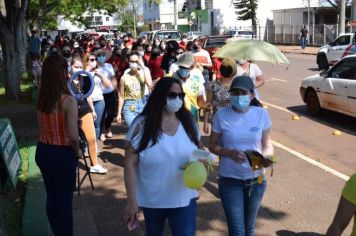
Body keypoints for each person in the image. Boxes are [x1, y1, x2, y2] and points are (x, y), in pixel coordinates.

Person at [124, 77, 201, 236]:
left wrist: (202, 160)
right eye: (172, 95)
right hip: (152, 199)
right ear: (160, 96)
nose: (177, 99)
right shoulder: (141, 124)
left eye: (181, 96)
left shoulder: (189, 123)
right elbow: (130, 163)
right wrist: (132, 201)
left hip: (184, 198)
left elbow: (199, 149)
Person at [208, 75, 274, 236]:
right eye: (235, 93)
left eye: (243, 93)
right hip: (230, 181)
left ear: (252, 95)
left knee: (249, 228)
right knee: (237, 230)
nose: (239, 97)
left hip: (256, 181)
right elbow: (212, 145)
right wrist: (228, 153)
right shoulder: (222, 115)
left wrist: (266, 158)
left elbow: (267, 144)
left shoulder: (261, 114)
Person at [35, 55, 80, 236]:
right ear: (62, 74)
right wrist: (77, 153)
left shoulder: (41, 98)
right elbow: (73, 137)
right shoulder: (69, 101)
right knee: (64, 201)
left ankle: (56, 232)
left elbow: (41, 127)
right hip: (62, 153)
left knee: (52, 197)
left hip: (43, 149)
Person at [69, 57, 108, 174]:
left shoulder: (84, 79)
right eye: (76, 67)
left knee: (91, 138)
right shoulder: (65, 79)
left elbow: (87, 95)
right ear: (70, 66)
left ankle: (94, 164)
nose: (79, 69)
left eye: (80, 67)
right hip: (70, 112)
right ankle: (71, 166)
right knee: (72, 140)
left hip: (84, 110)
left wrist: (92, 110)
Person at [172, 52, 211, 123]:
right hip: (176, 116)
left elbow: (200, 101)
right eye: (181, 67)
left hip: (192, 115)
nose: (183, 69)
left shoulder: (196, 80)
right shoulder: (172, 78)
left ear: (191, 67)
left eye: (186, 67)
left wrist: (205, 105)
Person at [203, 58, 237, 134]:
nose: (225, 70)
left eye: (227, 68)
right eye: (224, 68)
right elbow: (208, 104)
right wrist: (205, 122)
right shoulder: (212, 85)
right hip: (217, 121)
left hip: (234, 121)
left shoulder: (237, 85)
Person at [84, 53, 112, 140]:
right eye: (92, 60)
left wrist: (101, 75)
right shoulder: (82, 72)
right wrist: (86, 71)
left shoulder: (99, 71)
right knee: (87, 124)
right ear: (86, 61)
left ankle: (94, 145)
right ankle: (86, 145)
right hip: (86, 101)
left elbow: (108, 85)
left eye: (95, 59)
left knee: (97, 124)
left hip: (99, 100)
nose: (95, 61)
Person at [94, 49, 117, 141]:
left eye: (103, 55)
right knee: (102, 114)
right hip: (100, 95)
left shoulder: (109, 66)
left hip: (110, 93)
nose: (101, 57)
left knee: (111, 113)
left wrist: (115, 88)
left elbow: (113, 78)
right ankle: (102, 132)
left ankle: (107, 127)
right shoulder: (95, 68)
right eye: (99, 55)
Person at [117, 53, 146, 127]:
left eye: (136, 61)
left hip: (142, 103)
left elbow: (150, 85)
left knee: (142, 132)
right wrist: (119, 113)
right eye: (131, 61)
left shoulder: (144, 73)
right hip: (129, 106)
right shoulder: (124, 77)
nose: (134, 64)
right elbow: (121, 96)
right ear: (128, 62)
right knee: (133, 129)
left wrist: (143, 67)